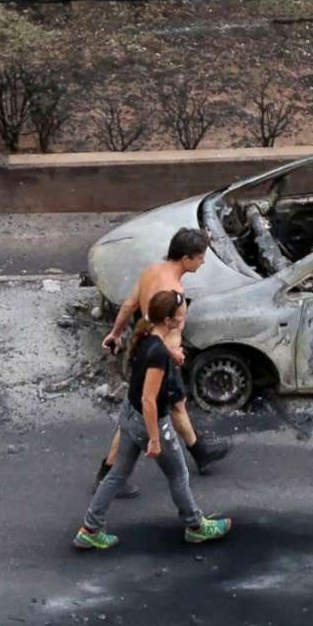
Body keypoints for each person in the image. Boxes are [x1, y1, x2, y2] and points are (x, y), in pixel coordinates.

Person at [75, 290, 231, 551]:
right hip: (149, 421)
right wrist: (155, 439)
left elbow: (154, 358)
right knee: (178, 474)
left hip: (129, 413)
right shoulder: (157, 351)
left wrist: (173, 356)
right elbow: (150, 399)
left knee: (116, 474)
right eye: (181, 316)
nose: (183, 319)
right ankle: (196, 526)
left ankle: (90, 528)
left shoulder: (147, 335)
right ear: (169, 321)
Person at [99, 227, 227, 488]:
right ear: (186, 259)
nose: (203, 262)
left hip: (148, 352)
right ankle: (108, 473)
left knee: (178, 403)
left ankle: (200, 452)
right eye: (200, 257)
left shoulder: (151, 272)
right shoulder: (173, 292)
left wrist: (115, 333)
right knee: (135, 418)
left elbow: (129, 306)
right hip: (160, 360)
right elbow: (160, 332)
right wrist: (173, 353)